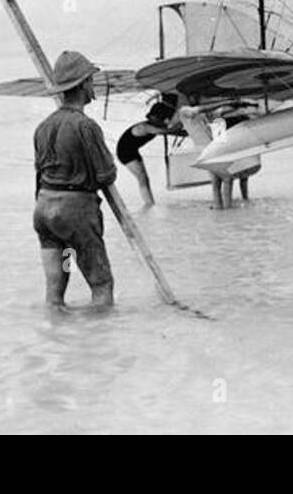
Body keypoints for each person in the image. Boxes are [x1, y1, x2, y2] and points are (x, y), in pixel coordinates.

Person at [32, 50, 118, 309]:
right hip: (75, 214)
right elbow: (106, 175)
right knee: (101, 284)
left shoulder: (43, 126)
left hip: (45, 213)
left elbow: (39, 172)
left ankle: (60, 337)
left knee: (56, 286)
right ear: (83, 85)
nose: (94, 86)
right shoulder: (85, 126)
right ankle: (96, 341)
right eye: (91, 81)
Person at [116, 92, 182, 209]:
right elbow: (165, 131)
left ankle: (149, 203)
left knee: (144, 178)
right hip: (124, 152)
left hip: (133, 151)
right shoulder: (145, 127)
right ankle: (149, 204)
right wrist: (181, 128)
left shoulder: (155, 125)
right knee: (142, 177)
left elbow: (167, 128)